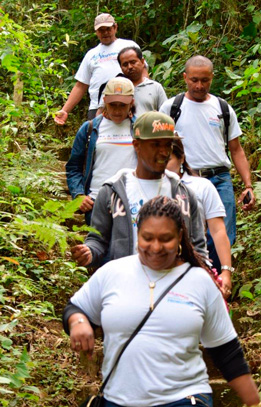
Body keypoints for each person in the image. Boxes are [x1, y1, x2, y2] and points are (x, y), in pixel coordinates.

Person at [63, 196, 261, 407]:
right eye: (147, 237)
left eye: (166, 239)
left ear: (180, 236)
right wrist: (78, 322)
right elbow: (76, 308)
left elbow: (227, 352)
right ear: (137, 233)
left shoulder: (200, 282)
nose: (155, 247)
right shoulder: (113, 273)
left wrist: (254, 406)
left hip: (186, 403)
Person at [70, 111, 207, 267]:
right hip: (127, 283)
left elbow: (198, 245)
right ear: (137, 145)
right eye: (156, 144)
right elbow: (98, 239)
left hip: (174, 285)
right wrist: (89, 252)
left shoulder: (184, 194)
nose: (164, 152)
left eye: (168, 144)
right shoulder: (112, 192)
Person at [160, 55, 256, 272]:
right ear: (185, 77)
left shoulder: (222, 108)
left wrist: (248, 185)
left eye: (205, 80)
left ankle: (218, 279)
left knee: (222, 232)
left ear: (212, 78)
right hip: (184, 179)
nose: (199, 85)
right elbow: (159, 146)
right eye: (194, 80)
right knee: (184, 230)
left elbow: (236, 149)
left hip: (219, 178)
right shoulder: (171, 108)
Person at [166, 139, 232, 299]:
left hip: (196, 261)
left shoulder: (202, 186)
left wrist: (226, 271)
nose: (163, 164)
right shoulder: (150, 185)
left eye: (168, 159)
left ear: (181, 158)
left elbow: (218, 230)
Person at [66, 77, 137, 224]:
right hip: (97, 202)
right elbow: (74, 166)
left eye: (122, 105)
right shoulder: (90, 129)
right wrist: (79, 195)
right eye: (113, 105)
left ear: (131, 103)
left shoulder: (140, 128)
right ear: (104, 101)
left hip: (133, 202)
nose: (117, 110)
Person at [54, 13, 145, 124]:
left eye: (108, 29)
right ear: (96, 32)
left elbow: (142, 72)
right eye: (101, 30)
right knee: (95, 139)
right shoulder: (91, 54)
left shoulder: (129, 46)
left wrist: (147, 96)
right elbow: (81, 85)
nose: (105, 33)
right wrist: (65, 110)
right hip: (97, 106)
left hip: (125, 103)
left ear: (115, 27)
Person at [117, 46, 167, 116]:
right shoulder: (116, 89)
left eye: (133, 62)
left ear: (142, 62)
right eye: (125, 64)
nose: (130, 67)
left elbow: (166, 114)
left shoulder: (155, 87)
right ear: (121, 68)